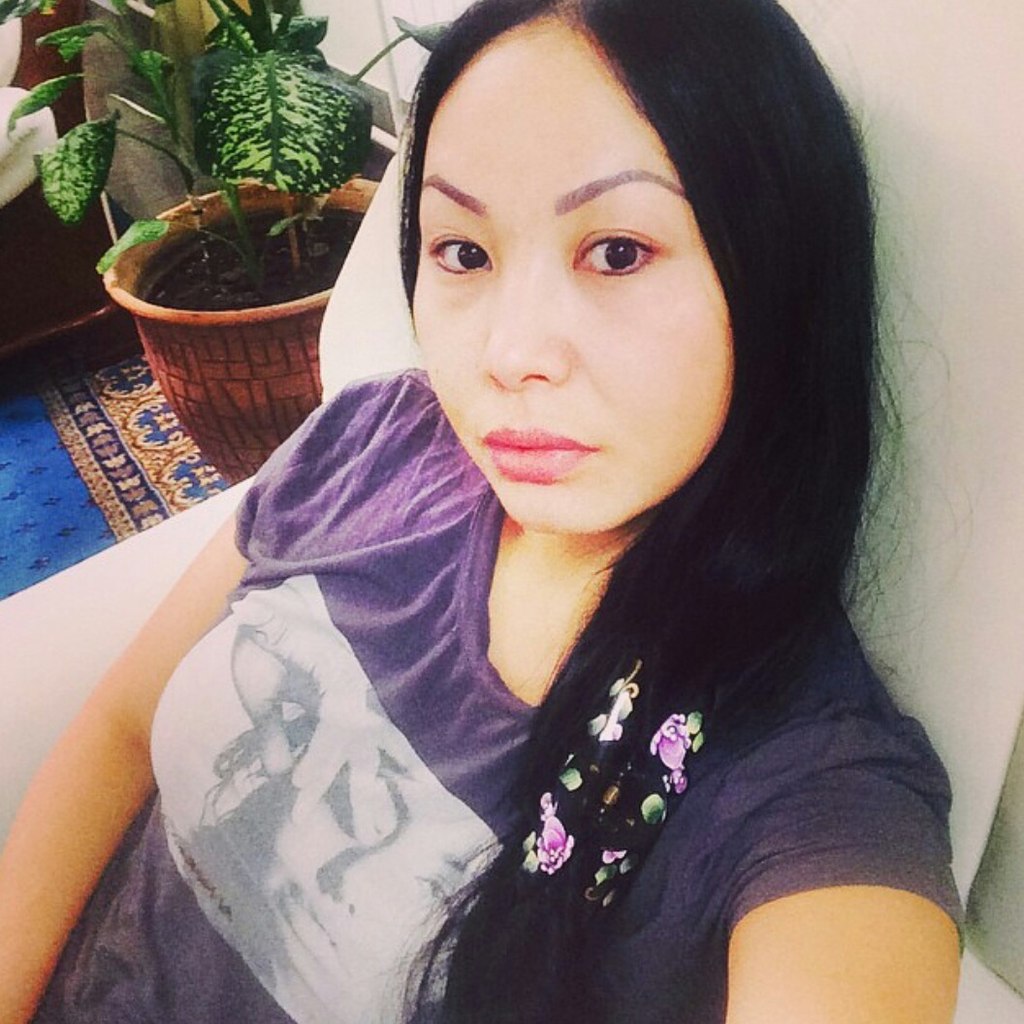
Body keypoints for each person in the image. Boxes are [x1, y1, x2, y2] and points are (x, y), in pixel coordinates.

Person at [0, 0, 962, 1021]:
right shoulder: (371, 439)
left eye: (618, 251)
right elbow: (121, 731)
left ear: (777, 274)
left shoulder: (808, 788)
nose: (509, 355)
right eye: (463, 253)